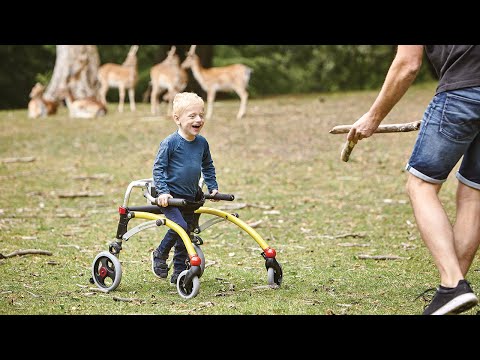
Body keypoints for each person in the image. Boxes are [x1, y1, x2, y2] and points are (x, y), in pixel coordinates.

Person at [348, 45, 480, 315]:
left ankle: (453, 285)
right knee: (473, 192)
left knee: (421, 185)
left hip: (461, 94)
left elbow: (407, 64)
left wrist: (373, 117)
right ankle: (453, 293)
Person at [151, 92, 219, 285]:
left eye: (201, 115)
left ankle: (179, 273)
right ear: (177, 119)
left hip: (189, 197)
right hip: (170, 197)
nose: (198, 119)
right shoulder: (170, 143)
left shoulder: (202, 143)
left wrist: (212, 187)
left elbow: (208, 166)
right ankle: (159, 254)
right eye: (192, 116)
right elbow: (159, 168)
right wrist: (163, 192)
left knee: (185, 235)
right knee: (180, 227)